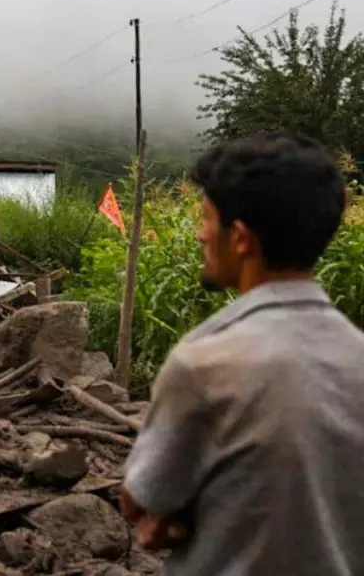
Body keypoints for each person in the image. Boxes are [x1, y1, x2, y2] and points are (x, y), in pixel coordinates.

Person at [119, 131, 364, 575]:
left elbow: (142, 501)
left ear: (241, 239)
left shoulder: (205, 362)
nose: (199, 234)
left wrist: (174, 520)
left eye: (207, 218)